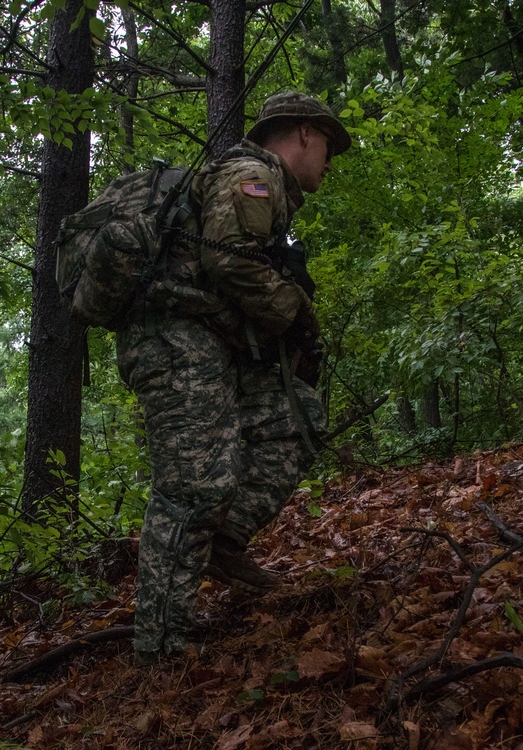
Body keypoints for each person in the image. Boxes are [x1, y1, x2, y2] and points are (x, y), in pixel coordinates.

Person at [116, 92, 352, 665]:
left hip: (214, 343)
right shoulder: (251, 175)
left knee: (294, 418)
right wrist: (294, 310)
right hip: (174, 336)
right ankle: (160, 648)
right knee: (194, 485)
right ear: (301, 133)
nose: (330, 160)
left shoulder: (265, 187)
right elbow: (229, 259)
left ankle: (223, 541)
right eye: (327, 145)